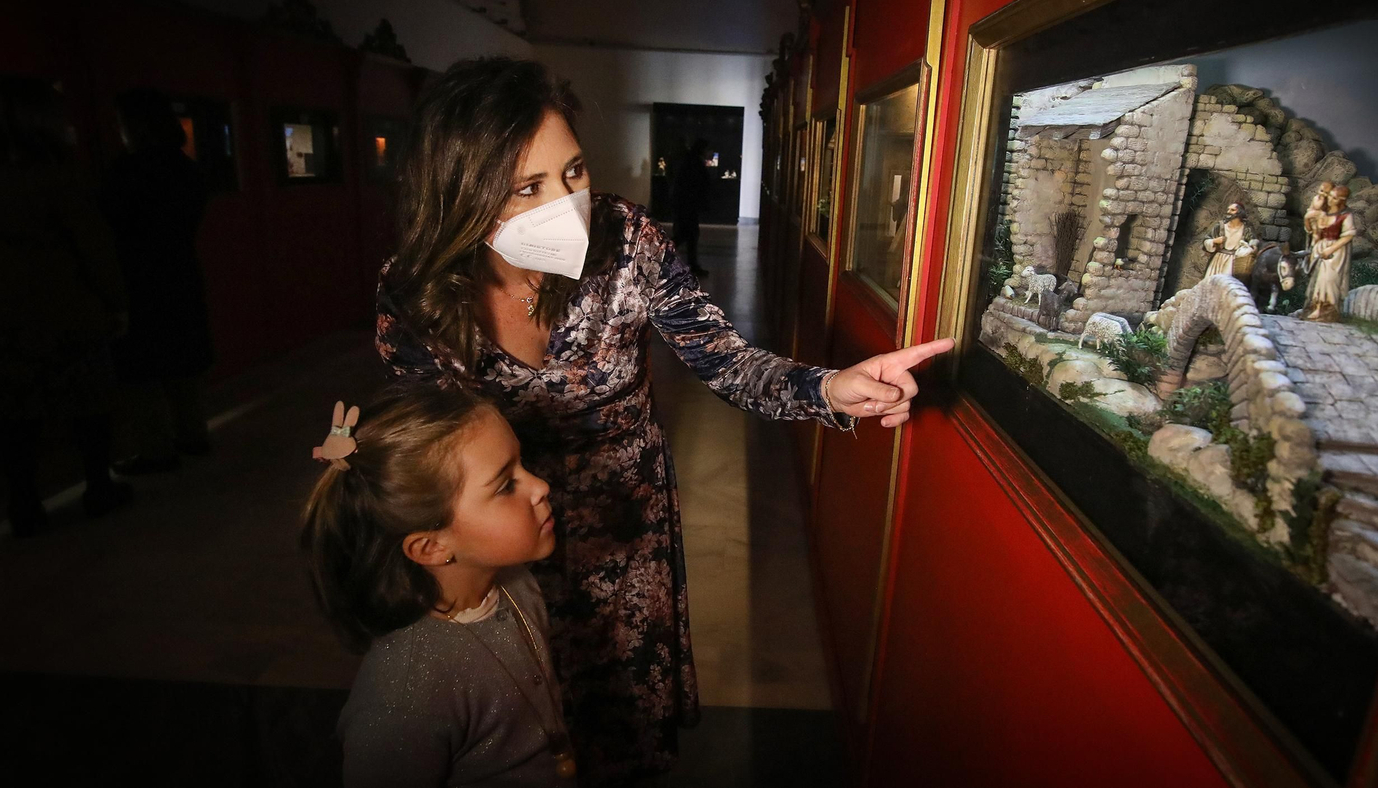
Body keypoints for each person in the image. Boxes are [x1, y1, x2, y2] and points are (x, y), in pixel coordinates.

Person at [375, 57, 951, 785]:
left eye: (574, 172)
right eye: (529, 188)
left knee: (622, 724)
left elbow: (726, 360)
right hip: (504, 545)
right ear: (460, 196)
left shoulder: (626, 242)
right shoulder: (416, 291)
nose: (569, 203)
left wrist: (831, 388)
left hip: (626, 530)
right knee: (522, 731)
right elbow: (431, 452)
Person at [302, 382, 576, 786]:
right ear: (430, 547)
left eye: (523, 465)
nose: (540, 486)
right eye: (505, 485)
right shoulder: (404, 696)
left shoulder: (518, 586)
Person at [0, 77, 133, 536]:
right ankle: (99, 486)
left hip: (10, 318)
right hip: (68, 309)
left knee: (20, 415)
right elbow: (94, 249)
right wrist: (116, 302)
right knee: (89, 403)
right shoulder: (60, 178)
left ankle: (24, 505)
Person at [99, 88, 214, 474]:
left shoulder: (125, 173)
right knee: (182, 362)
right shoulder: (186, 170)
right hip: (179, 272)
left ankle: (156, 450)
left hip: (138, 279)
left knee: (142, 369)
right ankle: (193, 433)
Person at [1303, 184, 1358, 322]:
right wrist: (1309, 221)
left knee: (1328, 280)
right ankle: (1316, 307)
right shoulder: (1325, 212)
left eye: (1333, 198)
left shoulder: (1345, 215)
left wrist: (1330, 249)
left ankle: (1327, 310)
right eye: (1330, 196)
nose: (1329, 199)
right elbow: (1314, 229)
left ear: (1340, 200)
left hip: (1335, 252)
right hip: (1320, 249)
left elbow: (1348, 235)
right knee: (1317, 280)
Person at [671, 137, 711, 277]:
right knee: (689, 234)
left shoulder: (689, 161)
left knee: (687, 234)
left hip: (685, 204)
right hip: (688, 205)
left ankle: (690, 263)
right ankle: (690, 264)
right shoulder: (695, 163)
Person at [1201, 201, 1258, 281]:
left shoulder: (1246, 228)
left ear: (1240, 212)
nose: (1228, 212)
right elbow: (1206, 240)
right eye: (1228, 209)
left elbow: (1253, 240)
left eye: (1232, 210)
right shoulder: (1220, 226)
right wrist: (1214, 241)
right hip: (1218, 261)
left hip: (1234, 262)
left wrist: (1253, 247)